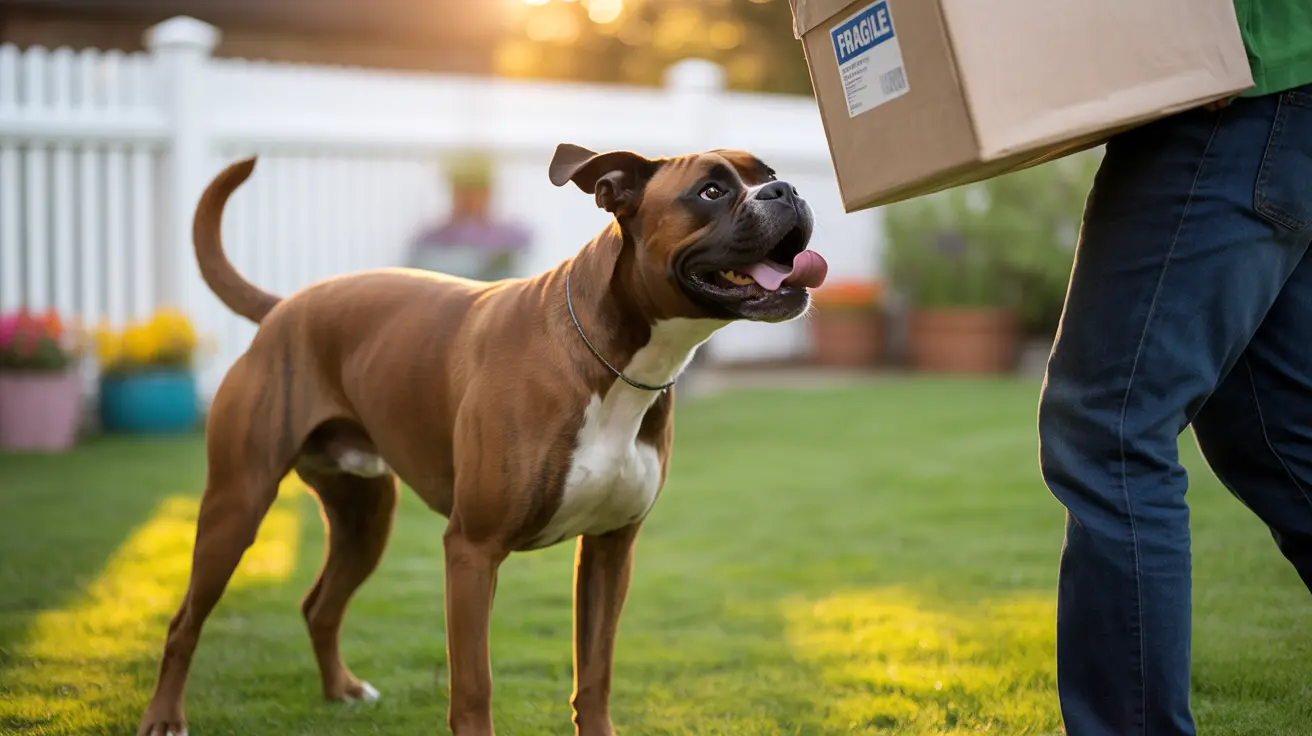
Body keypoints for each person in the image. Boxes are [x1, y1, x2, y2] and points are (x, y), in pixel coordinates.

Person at [1037, 2, 1312, 734]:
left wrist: (1191, 40)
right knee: (1277, 439)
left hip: (1230, 86)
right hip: (1287, 87)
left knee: (1108, 428)